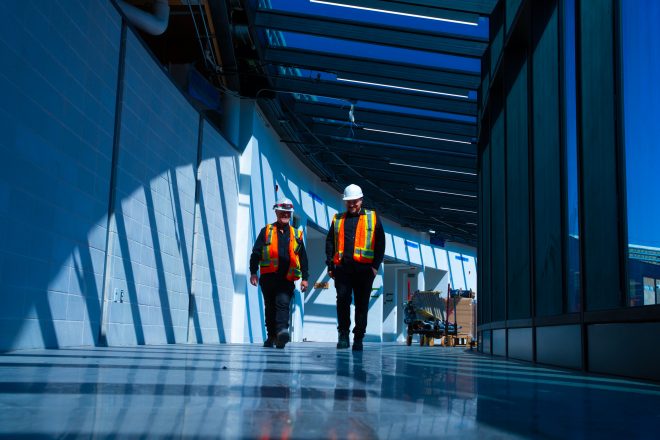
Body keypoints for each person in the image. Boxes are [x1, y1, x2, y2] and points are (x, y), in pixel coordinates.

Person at [326, 184, 385, 351]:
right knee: (342, 301)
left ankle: (358, 337)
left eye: (354, 201)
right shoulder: (338, 219)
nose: (351, 204)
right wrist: (331, 265)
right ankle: (343, 335)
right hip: (343, 269)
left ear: (361, 200)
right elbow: (330, 242)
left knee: (361, 304)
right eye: (348, 202)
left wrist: (374, 267)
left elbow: (380, 243)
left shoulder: (372, 217)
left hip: (365, 270)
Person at [250, 197, 309, 348]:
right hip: (269, 278)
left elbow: (303, 257)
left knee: (283, 304)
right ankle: (271, 337)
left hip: (287, 278)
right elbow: (256, 252)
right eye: (282, 212)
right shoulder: (267, 231)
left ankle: (282, 332)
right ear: (276, 212)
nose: (285, 215)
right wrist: (253, 272)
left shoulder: (297, 234)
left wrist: (305, 278)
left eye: (288, 213)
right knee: (270, 307)